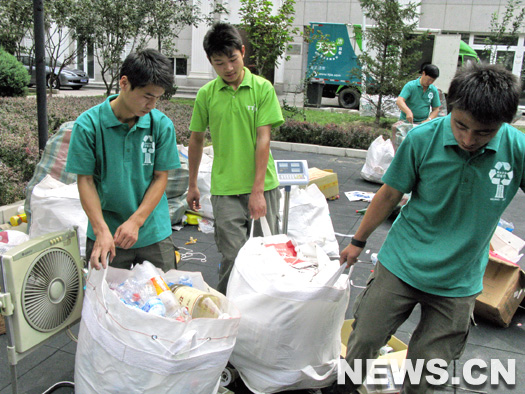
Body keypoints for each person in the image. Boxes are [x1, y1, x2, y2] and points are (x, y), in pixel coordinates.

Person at [331, 63, 524, 394]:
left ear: (504, 124)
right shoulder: (422, 139)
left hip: (459, 281)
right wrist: (358, 242)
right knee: (364, 341)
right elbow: (389, 194)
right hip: (403, 263)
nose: (468, 139)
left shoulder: (516, 149)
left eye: (483, 133)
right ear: (450, 106)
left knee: (428, 371)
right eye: (461, 126)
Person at [186, 22, 284, 294]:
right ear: (210, 62)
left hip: (263, 187)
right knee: (233, 256)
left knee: (263, 256)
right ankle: (228, 309)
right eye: (219, 63)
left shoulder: (262, 89)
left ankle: (261, 314)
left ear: (242, 52)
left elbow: (263, 139)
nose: (228, 68)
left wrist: (257, 192)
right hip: (225, 189)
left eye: (233, 59)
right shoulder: (206, 94)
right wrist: (192, 183)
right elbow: (196, 139)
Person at [66, 49, 180, 272]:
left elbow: (160, 178)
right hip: (107, 233)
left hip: (152, 230)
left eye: (157, 98)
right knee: (105, 300)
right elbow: (85, 181)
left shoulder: (161, 125)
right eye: (147, 96)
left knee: (166, 295)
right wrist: (100, 230)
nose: (152, 105)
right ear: (124, 83)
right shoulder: (89, 125)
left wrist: (136, 221)